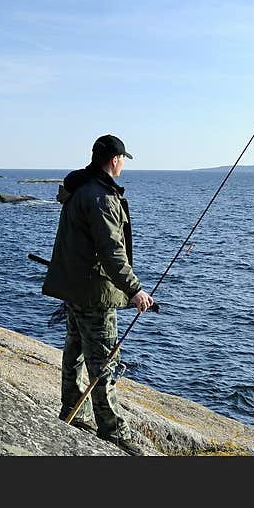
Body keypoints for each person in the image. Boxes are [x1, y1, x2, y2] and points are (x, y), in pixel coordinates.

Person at [42, 134, 153, 456]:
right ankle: (113, 431)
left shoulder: (79, 189)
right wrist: (135, 290)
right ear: (115, 160)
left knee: (74, 351)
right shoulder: (101, 198)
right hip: (95, 293)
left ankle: (73, 411)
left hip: (75, 289)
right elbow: (111, 253)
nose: (122, 165)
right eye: (122, 160)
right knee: (104, 362)